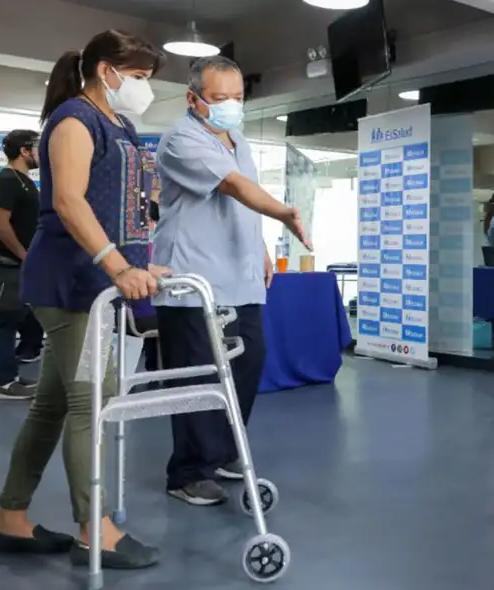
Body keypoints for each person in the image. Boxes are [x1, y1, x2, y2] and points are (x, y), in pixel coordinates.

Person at [0, 29, 167, 571]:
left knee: (52, 407)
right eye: (137, 78)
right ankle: (95, 530)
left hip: (99, 283)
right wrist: (117, 264)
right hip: (70, 284)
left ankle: (10, 520)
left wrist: (139, 260)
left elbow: (121, 203)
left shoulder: (122, 124)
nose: (143, 88)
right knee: (93, 401)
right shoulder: (72, 120)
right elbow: (67, 201)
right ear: (106, 71)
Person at [152, 55, 310, 506]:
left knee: (247, 361)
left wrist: (259, 245)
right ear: (193, 98)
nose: (230, 107)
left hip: (239, 276)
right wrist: (283, 211)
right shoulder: (181, 139)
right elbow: (234, 188)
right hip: (193, 278)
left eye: (237, 98)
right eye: (219, 98)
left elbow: (242, 203)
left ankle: (221, 453)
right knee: (197, 377)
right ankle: (186, 472)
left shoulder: (238, 139)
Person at [0, 129, 43, 401]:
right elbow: (0, 223)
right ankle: (2, 383)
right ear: (24, 150)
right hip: (10, 263)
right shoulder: (7, 180)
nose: (41, 152)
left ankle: (10, 375)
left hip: (23, 262)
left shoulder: (25, 181)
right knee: (6, 323)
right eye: (37, 146)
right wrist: (24, 254)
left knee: (17, 318)